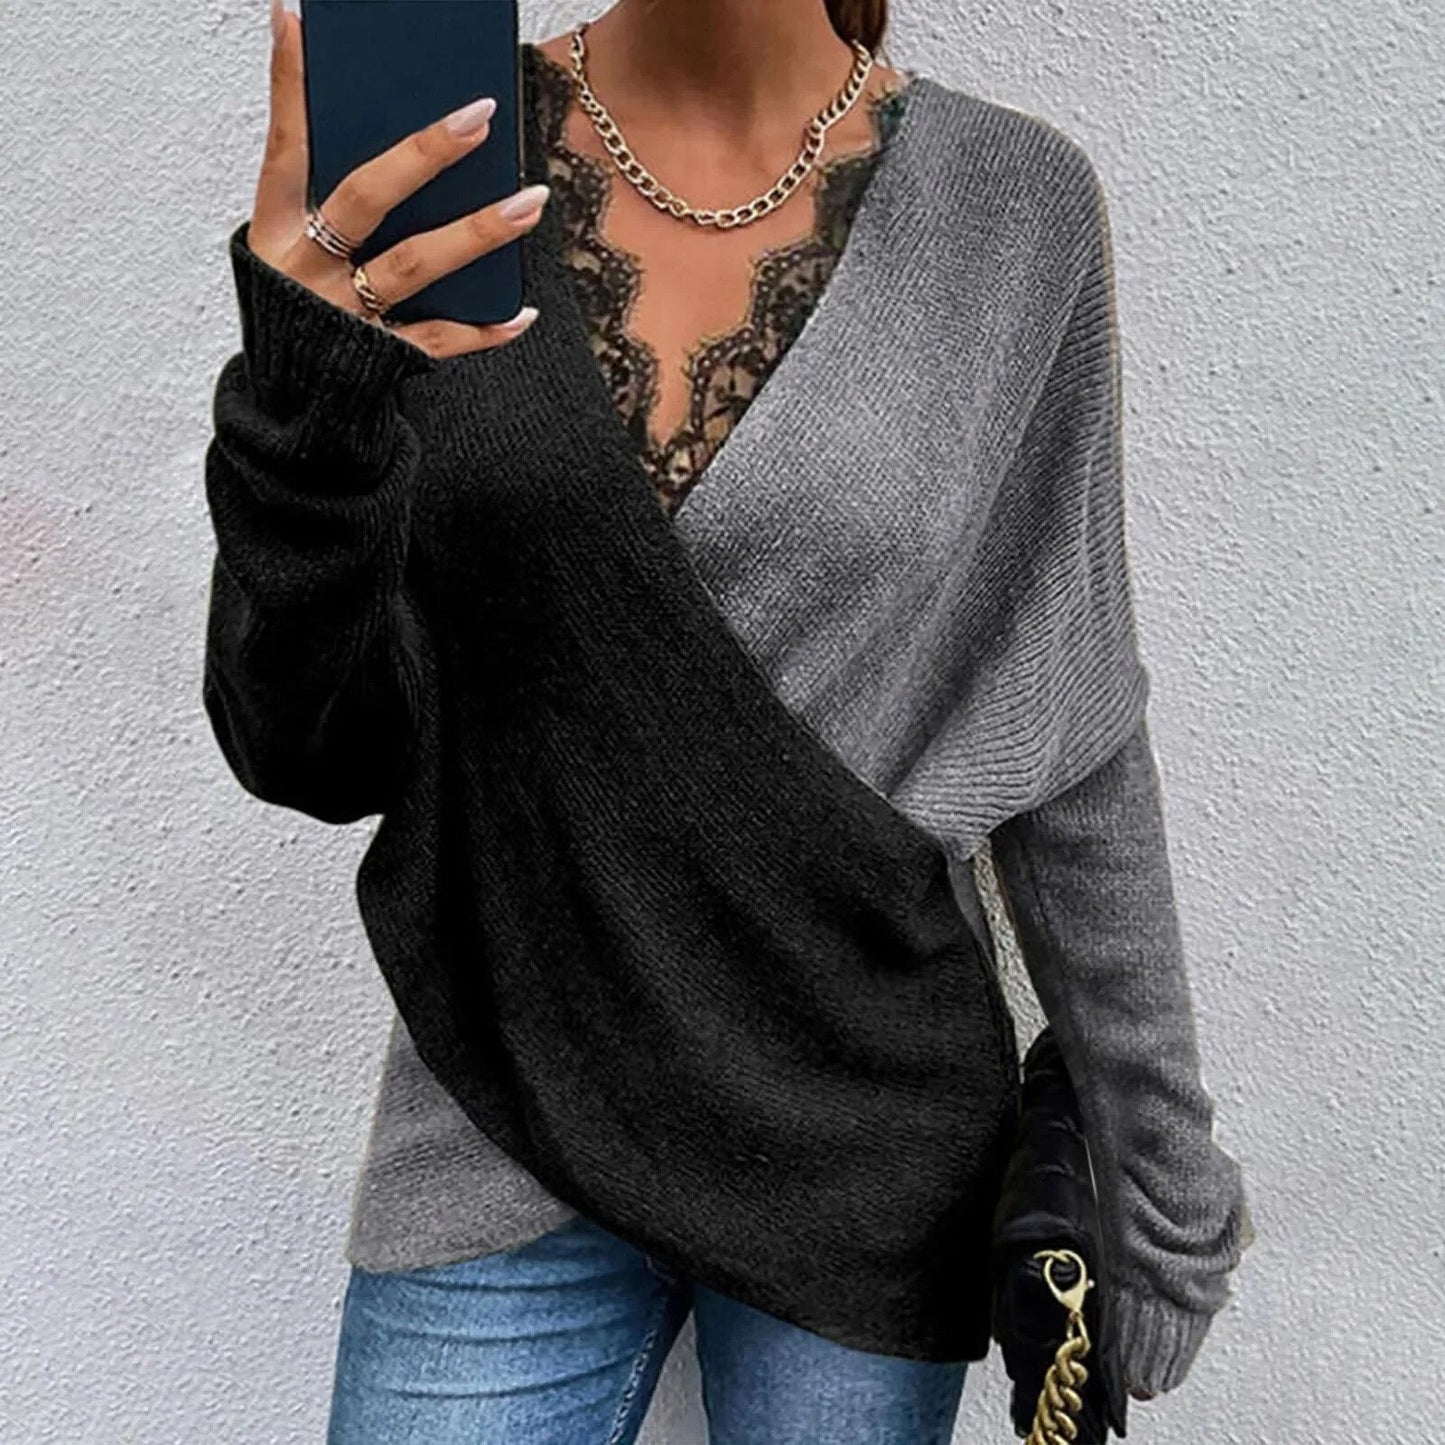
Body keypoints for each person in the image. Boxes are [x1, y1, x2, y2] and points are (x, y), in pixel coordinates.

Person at [200, 1, 1255, 1440]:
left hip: (861, 1143)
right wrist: (301, 408)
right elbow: (305, 753)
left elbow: (1065, 728)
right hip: (504, 1102)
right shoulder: (435, 159)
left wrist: (1158, 1169)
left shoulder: (1015, 212)